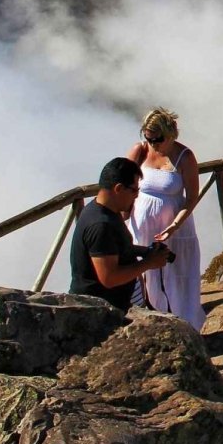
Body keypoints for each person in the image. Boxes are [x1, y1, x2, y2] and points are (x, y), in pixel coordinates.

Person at [125, 107, 204, 328]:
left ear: (170, 134)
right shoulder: (139, 152)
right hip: (142, 228)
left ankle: (186, 325)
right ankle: (151, 324)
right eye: (148, 138)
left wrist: (174, 226)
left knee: (178, 276)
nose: (153, 144)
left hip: (175, 228)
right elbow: (120, 181)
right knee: (146, 277)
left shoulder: (184, 157)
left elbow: (192, 197)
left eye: (157, 139)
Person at [70, 157, 173, 310]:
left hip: (116, 303)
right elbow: (109, 278)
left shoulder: (103, 209)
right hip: (102, 312)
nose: (137, 195)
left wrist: (145, 251)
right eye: (134, 190)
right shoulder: (101, 225)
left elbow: (114, 248)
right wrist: (148, 263)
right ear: (118, 189)